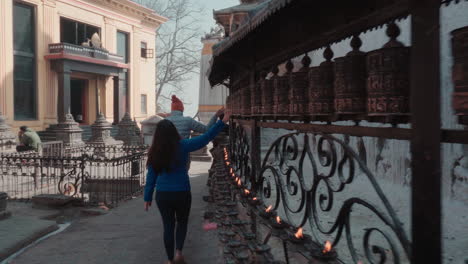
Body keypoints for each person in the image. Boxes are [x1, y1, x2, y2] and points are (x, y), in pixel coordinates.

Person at [144, 112, 230, 264]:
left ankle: (170, 260)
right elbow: (206, 137)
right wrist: (222, 121)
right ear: (173, 132)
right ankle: (178, 253)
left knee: (168, 226)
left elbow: (151, 177)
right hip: (182, 192)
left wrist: (147, 197)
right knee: (182, 222)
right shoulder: (183, 146)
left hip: (163, 195)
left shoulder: (154, 152)